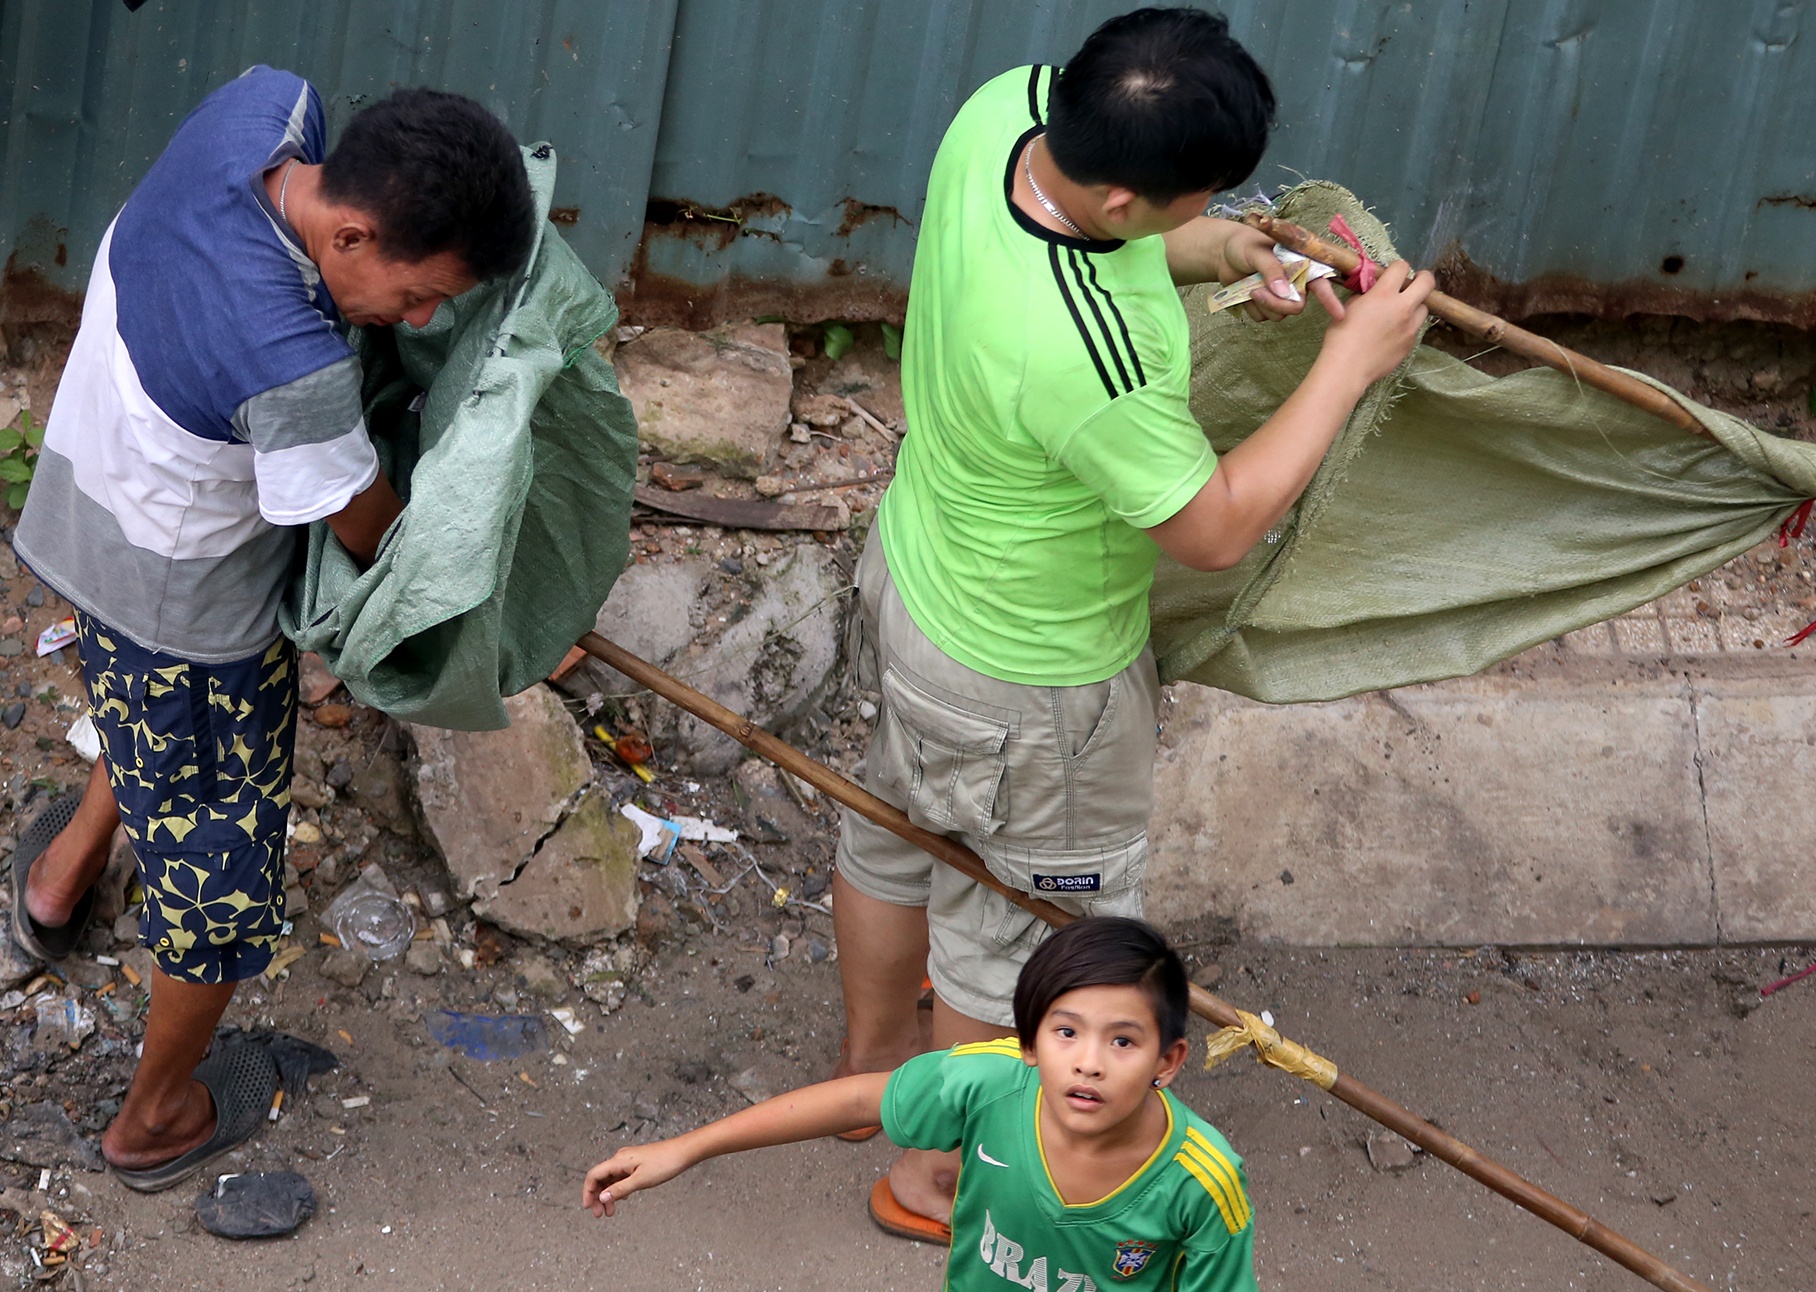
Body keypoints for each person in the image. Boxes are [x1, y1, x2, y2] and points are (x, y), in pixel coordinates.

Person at [829, 6, 1433, 1236]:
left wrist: (1217, 252)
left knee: (897, 839)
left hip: (921, 581)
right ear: (1118, 199)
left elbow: (1111, 244)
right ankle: (933, 1175)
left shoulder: (1008, 106)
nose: (1211, 208)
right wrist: (1348, 363)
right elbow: (1211, 527)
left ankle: (867, 1080)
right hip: (1032, 681)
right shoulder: (1085, 359)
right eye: (1194, 198)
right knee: (1018, 942)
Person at [7, 68, 533, 1191]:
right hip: (184, 606)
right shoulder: (289, 364)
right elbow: (372, 534)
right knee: (218, 863)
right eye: (421, 293)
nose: (425, 322)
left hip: (87, 506)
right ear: (348, 231)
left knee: (146, 730)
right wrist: (490, 601)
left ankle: (57, 882)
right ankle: (154, 1116)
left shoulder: (262, 112)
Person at [586, 917, 1257, 1289]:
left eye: (1123, 1041)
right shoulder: (988, 1083)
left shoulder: (1203, 1181)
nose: (1088, 1060)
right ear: (1028, 1043)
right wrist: (687, 1147)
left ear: (1168, 1061)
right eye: (1066, 1032)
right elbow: (856, 1095)